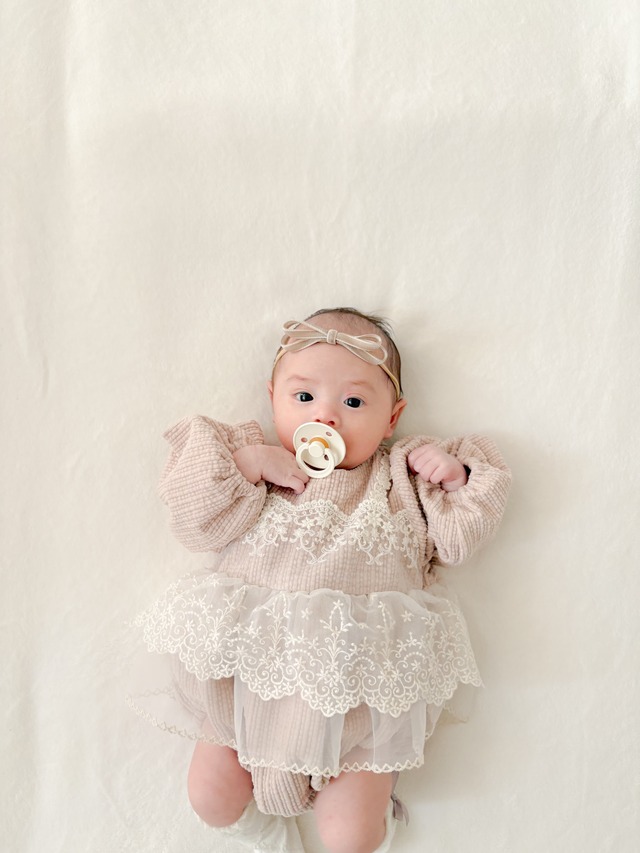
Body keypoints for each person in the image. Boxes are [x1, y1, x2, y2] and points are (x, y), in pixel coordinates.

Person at [130, 307, 511, 853]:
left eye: (353, 403)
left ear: (392, 418)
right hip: (248, 687)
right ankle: (261, 833)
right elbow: (193, 520)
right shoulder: (255, 468)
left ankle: (380, 825)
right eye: (304, 397)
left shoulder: (400, 479)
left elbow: (458, 541)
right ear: (273, 399)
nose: (326, 417)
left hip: (359, 700)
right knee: (210, 799)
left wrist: (455, 478)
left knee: (349, 839)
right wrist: (248, 463)